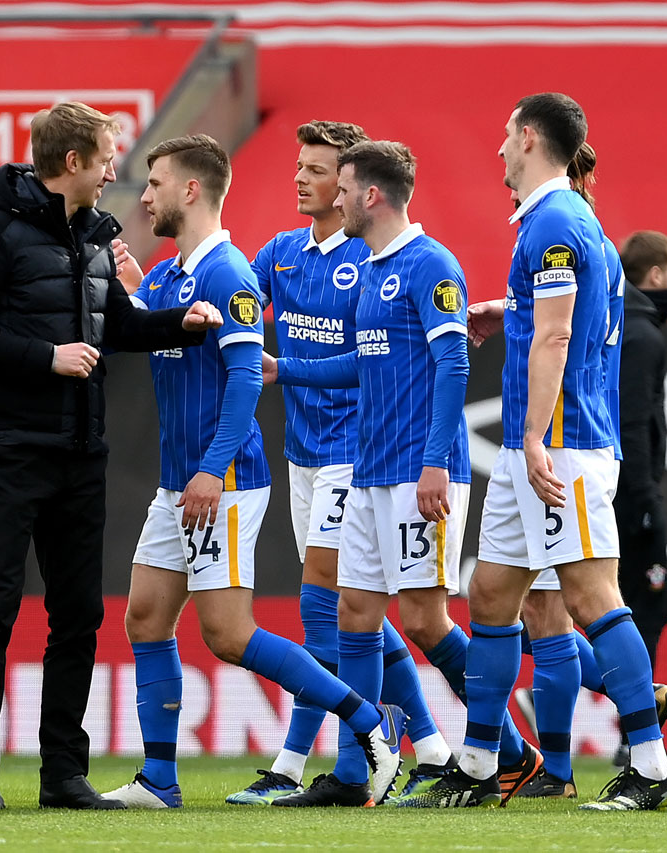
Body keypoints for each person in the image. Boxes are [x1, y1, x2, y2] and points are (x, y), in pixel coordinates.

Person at [0, 102, 222, 811]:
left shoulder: (95, 238)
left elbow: (113, 323)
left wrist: (177, 327)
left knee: (78, 613)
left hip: (80, 451)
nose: (116, 170)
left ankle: (63, 771)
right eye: (106, 157)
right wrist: (45, 357)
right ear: (73, 164)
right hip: (8, 446)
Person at [103, 134, 405, 809]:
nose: (144, 196)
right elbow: (144, 318)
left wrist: (212, 470)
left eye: (155, 183)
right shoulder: (172, 274)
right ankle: (158, 780)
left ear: (190, 190)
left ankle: (370, 726)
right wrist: (126, 280)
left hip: (224, 483)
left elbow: (246, 379)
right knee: (146, 618)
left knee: (229, 634)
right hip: (175, 485)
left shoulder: (228, 273)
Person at [263, 140, 541, 808]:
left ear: (372, 196)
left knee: (422, 619)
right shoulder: (370, 269)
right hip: (367, 471)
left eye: (345, 186)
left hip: (421, 473)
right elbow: (362, 364)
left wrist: (433, 464)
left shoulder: (431, 266)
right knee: (353, 612)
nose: (335, 197)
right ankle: (361, 770)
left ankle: (505, 750)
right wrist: (287, 370)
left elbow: (454, 366)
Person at [428, 93, 667, 811]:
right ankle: (481, 765)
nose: (500, 147)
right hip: (531, 443)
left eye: (506, 133)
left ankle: (651, 766)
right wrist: (502, 311)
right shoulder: (560, 221)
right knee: (492, 595)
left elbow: (560, 335)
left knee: (591, 595)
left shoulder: (559, 221)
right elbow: (559, 312)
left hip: (560, 444)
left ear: (531, 138)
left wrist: (537, 434)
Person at [227, 121, 457, 806]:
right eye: (299, 167)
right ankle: (438, 747)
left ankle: (297, 760)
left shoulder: (379, 262)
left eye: (318, 170)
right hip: (303, 455)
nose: (300, 178)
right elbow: (229, 289)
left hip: (355, 453)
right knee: (360, 612)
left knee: (322, 605)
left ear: (353, 187)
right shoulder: (282, 253)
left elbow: (388, 362)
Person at [610, 229, 667, 770]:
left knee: (615, 609)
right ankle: (639, 738)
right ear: (656, 276)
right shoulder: (642, 335)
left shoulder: (622, 325)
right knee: (643, 607)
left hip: (616, 489)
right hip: (631, 495)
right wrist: (641, 499)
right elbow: (633, 423)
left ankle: (634, 734)